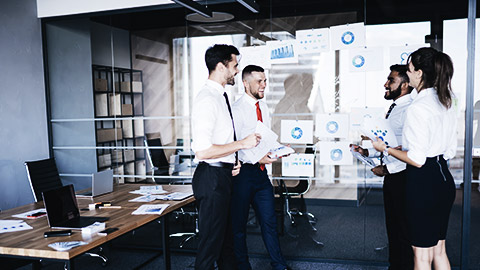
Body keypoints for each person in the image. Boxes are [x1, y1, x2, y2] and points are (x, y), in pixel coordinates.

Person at [372, 47, 457, 270]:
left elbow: (417, 159)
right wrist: (400, 148)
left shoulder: (418, 107)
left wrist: (386, 148)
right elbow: (448, 150)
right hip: (443, 177)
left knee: (420, 256)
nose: (407, 75)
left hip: (423, 182)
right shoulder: (446, 101)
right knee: (439, 250)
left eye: (409, 69)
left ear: (419, 72)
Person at [191, 44, 261, 270]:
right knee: (210, 244)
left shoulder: (221, 95)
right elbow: (202, 151)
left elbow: (220, 140)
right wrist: (242, 144)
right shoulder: (207, 99)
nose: (237, 71)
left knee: (226, 242)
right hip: (211, 179)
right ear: (221, 66)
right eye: (234, 66)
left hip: (223, 174)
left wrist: (232, 159)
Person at [351, 64, 414, 270]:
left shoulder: (409, 110)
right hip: (393, 177)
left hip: (403, 178)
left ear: (404, 85)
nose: (385, 84)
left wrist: (386, 170)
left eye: (391, 80)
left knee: (402, 231)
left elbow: (409, 150)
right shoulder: (396, 108)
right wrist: (367, 152)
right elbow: (389, 145)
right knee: (394, 228)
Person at [231, 65, 290, 270]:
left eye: (265, 80)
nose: (264, 85)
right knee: (238, 226)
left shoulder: (263, 107)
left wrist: (279, 148)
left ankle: (279, 265)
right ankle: (243, 266)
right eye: (259, 81)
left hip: (261, 175)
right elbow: (236, 145)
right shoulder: (237, 110)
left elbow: (264, 138)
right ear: (245, 83)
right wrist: (258, 159)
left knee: (269, 222)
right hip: (243, 175)